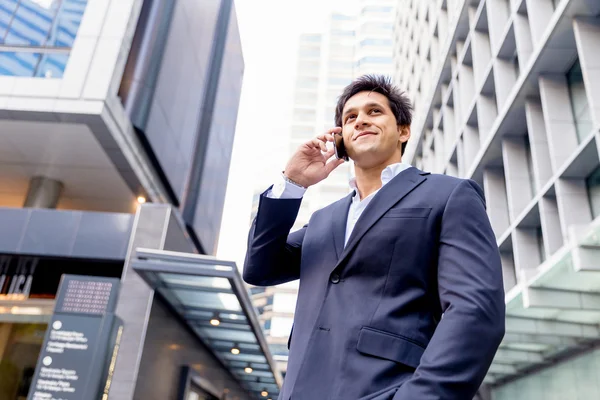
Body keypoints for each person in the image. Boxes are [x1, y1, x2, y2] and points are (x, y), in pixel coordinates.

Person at [243, 74, 505, 400]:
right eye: (350, 117)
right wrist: (293, 183)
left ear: (403, 131)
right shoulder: (324, 220)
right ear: (341, 140)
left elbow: (475, 311)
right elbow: (259, 268)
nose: (361, 120)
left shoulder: (449, 195)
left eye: (375, 112)